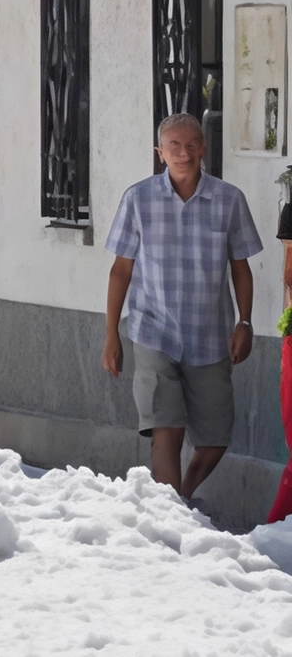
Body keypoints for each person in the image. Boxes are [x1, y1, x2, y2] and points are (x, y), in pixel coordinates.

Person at [103, 113, 260, 502]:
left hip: (211, 337)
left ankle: (181, 501)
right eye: (174, 146)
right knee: (165, 428)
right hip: (154, 331)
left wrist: (245, 322)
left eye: (191, 145)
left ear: (203, 149)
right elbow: (121, 270)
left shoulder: (229, 200)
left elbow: (241, 269)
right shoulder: (137, 199)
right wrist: (111, 335)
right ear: (160, 153)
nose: (183, 153)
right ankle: (169, 517)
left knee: (215, 439)